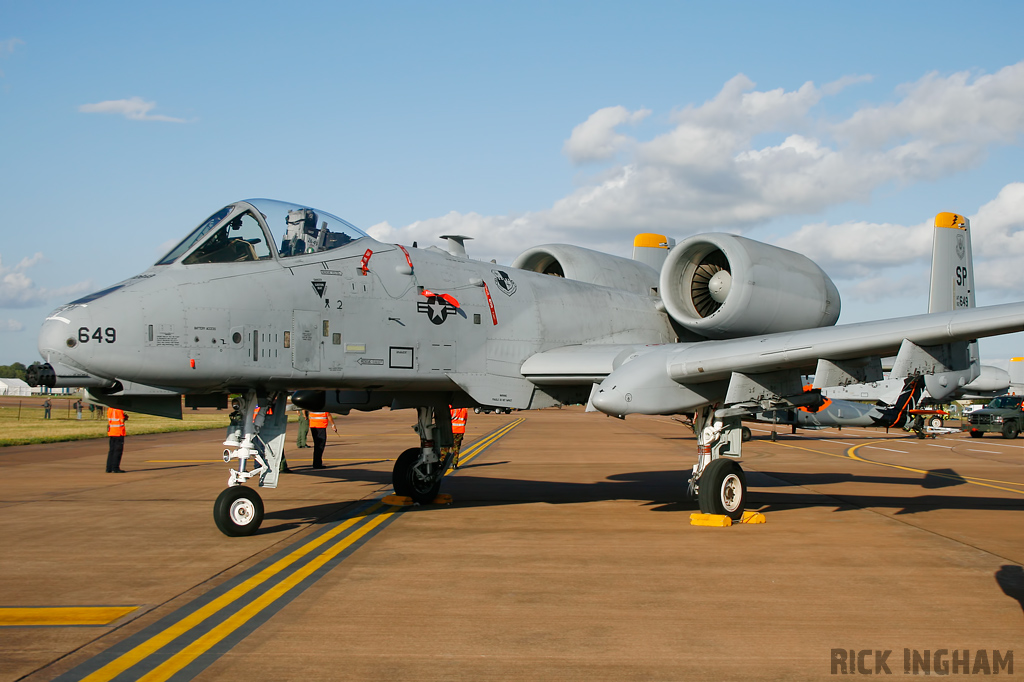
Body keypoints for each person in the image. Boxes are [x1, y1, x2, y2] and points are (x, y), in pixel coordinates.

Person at [106, 408, 129, 473]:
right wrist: (125, 418)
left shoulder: (109, 409)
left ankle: (109, 468)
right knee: (118, 451)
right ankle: (115, 467)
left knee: (111, 450)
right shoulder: (119, 410)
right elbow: (121, 420)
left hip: (111, 431)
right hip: (118, 432)